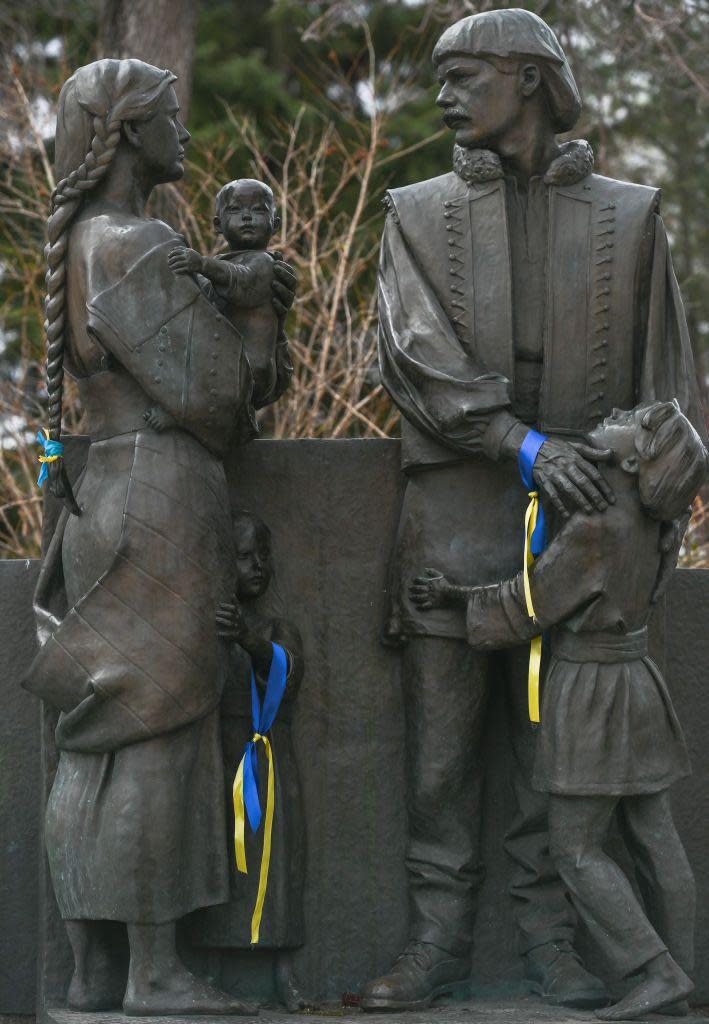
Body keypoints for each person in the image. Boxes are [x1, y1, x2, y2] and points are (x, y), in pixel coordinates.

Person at [364, 7, 706, 1013]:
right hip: (454, 509)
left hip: (587, 523)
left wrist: (644, 520)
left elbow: (670, 388)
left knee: (550, 758)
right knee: (441, 753)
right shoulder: (415, 211)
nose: (443, 94)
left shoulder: (630, 213)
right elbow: (412, 357)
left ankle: (552, 943)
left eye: (464, 74)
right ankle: (435, 940)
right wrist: (522, 444)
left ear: (527, 77)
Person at [21, 59, 295, 1016]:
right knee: (159, 727)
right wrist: (257, 308)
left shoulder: (85, 242)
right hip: (162, 495)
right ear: (129, 131)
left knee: (100, 729)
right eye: (170, 119)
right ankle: (155, 972)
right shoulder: (135, 243)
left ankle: (93, 973)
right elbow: (222, 398)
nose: (183, 135)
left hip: (106, 491)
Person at [410, 399, 708, 1021]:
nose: (616, 415)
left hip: (590, 692)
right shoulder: (660, 523)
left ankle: (654, 971)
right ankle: (690, 971)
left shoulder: (597, 528)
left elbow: (527, 606)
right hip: (638, 684)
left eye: (632, 419)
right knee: (655, 834)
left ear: (630, 456)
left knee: (574, 848)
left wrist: (452, 598)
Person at [189, 510, 306, 1012]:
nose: (257, 565)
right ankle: (210, 965)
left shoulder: (276, 627)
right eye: (243, 556)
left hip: (268, 758)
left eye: (263, 555)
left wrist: (249, 640)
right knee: (220, 855)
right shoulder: (203, 624)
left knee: (277, 865)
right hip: (218, 756)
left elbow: (288, 674)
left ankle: (284, 968)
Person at [154, 178, 291, 429]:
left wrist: (202, 264)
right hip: (225, 363)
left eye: (259, 210)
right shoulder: (219, 267)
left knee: (210, 381)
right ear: (218, 224)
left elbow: (242, 284)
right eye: (235, 210)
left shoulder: (265, 263)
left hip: (250, 369)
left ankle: (180, 414)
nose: (247, 217)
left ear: (275, 224)